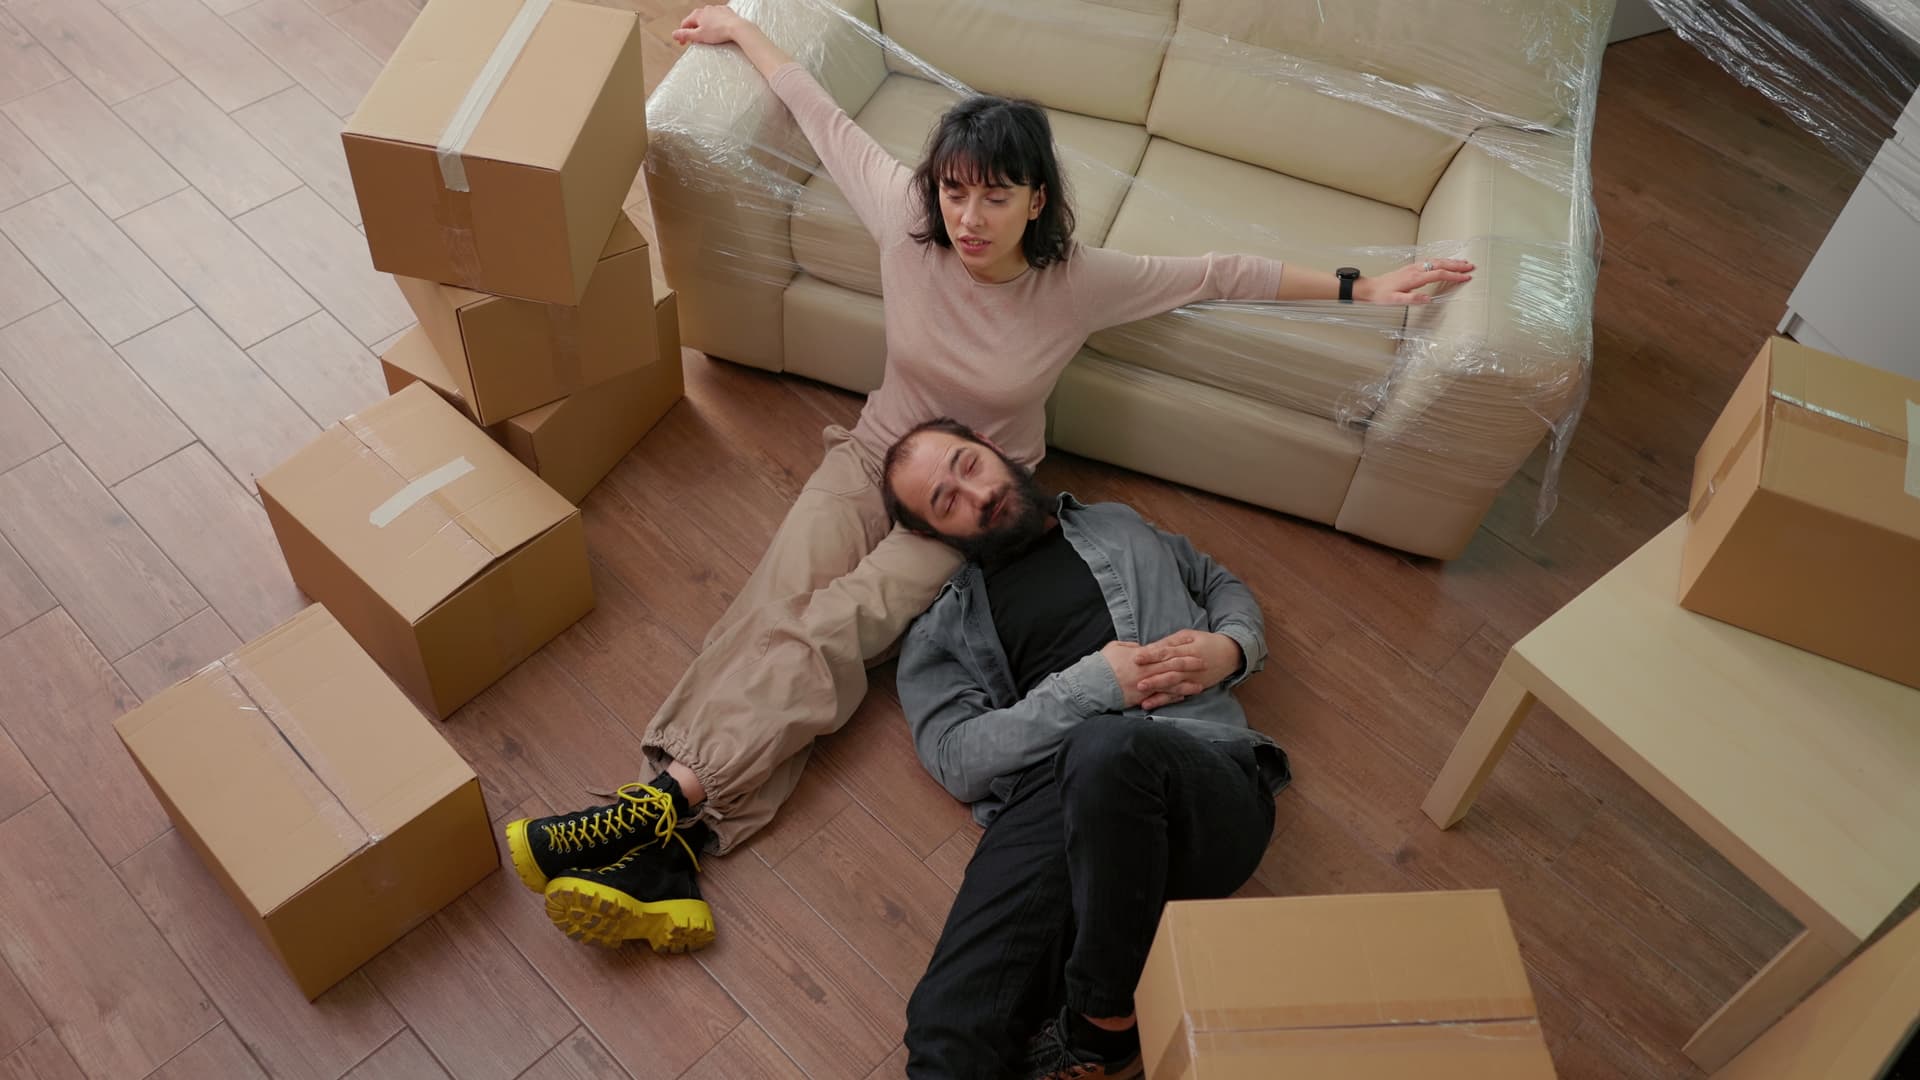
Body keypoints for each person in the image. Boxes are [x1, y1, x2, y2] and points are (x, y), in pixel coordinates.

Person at [504, 1, 1450, 953]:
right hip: (874, 455)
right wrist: (744, 33)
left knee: (840, 626)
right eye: (955, 192)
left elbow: (1217, 271)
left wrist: (1360, 288)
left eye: (995, 196)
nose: (968, 217)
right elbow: (822, 116)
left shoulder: (1076, 281)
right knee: (771, 603)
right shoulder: (909, 222)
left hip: (965, 506)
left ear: (1036, 200)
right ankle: (671, 837)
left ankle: (660, 810)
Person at [881, 418, 1290, 1079]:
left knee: (1107, 748)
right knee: (946, 1026)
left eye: (968, 465)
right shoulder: (941, 634)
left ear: (999, 455)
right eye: (945, 501)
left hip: (1205, 782)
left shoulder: (1118, 525)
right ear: (935, 535)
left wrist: (1233, 647)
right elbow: (957, 758)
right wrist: (1093, 684)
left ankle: (1101, 1028)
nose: (974, 493)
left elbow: (1218, 582)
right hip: (1059, 818)